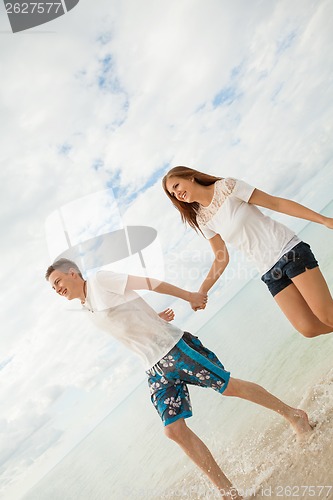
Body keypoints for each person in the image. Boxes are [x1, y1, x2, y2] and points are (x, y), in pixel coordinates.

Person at [46, 258, 313, 499]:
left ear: (72, 273)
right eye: (53, 287)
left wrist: (190, 296)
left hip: (174, 349)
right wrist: (154, 318)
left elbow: (149, 283)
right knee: (173, 430)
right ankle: (229, 493)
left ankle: (294, 415)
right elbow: (128, 315)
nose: (57, 288)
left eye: (58, 281)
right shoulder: (86, 308)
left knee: (229, 387)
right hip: (153, 368)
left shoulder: (100, 280)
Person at [163, 166, 333, 338]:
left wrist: (324, 220)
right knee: (308, 328)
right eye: (172, 194)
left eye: (176, 186)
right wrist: (202, 291)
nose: (177, 194)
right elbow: (221, 258)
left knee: (327, 316)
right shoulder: (202, 219)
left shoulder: (227, 187)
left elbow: (276, 203)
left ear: (190, 177)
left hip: (288, 251)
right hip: (269, 272)